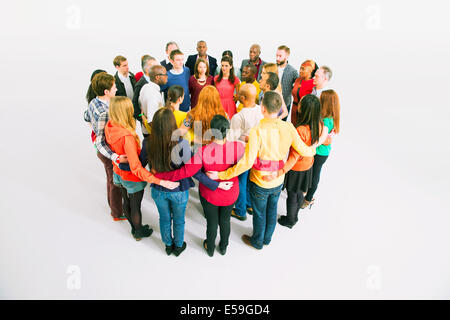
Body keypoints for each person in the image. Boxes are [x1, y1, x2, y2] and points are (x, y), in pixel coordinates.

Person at [207, 91, 316, 250]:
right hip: (278, 179)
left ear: (263, 109)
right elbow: (304, 151)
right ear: (279, 109)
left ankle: (257, 242)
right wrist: (314, 147)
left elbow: (246, 163)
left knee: (259, 213)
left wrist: (221, 175)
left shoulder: (257, 131)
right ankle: (267, 239)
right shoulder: (289, 127)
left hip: (259, 181)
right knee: (272, 211)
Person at [153, 115, 245, 257]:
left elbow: (186, 172)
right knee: (225, 220)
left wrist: (159, 177)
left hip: (210, 194)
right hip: (230, 192)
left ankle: (210, 248)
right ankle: (224, 247)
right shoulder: (239, 147)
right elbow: (248, 164)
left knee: (212, 222)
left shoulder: (203, 151)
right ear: (228, 130)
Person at [147, 108, 223, 256]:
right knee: (179, 219)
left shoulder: (148, 143)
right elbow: (192, 170)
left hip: (158, 189)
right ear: (173, 124)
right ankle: (178, 245)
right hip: (179, 190)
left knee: (164, 218)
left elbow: (141, 166)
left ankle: (168, 245)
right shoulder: (182, 144)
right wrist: (214, 183)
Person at [105, 97, 179, 240]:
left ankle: (133, 228)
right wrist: (160, 182)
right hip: (131, 178)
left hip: (117, 172)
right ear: (125, 112)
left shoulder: (110, 125)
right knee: (135, 206)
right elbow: (136, 168)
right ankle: (138, 230)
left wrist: (117, 157)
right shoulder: (127, 137)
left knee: (125, 202)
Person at [263, 94, 324, 228]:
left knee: (292, 195)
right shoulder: (319, 124)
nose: (298, 105)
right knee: (300, 192)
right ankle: (295, 215)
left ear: (305, 110)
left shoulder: (301, 130)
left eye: (301, 103)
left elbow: (294, 156)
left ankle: (290, 219)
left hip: (296, 168)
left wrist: (282, 170)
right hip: (308, 164)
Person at [84, 72, 126, 221]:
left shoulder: (93, 102)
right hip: (107, 151)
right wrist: (114, 156)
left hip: (102, 148)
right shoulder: (104, 112)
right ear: (106, 92)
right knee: (114, 181)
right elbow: (101, 141)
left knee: (110, 178)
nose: (116, 89)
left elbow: (86, 117)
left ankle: (114, 208)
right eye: (114, 87)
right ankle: (117, 212)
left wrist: (94, 128)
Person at [227, 84, 263, 221]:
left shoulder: (239, 116)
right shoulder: (261, 111)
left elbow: (231, 138)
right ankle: (249, 205)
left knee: (240, 180)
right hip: (256, 151)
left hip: (242, 152)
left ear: (242, 97)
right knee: (249, 179)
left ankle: (240, 210)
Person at [302, 89, 340, 209]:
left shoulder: (326, 121)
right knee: (312, 174)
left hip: (319, 153)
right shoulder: (328, 118)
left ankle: (308, 199)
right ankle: (307, 195)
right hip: (321, 152)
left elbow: (322, 139)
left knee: (314, 176)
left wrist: (308, 148)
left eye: (321, 98)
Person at [138, 65, 167, 137]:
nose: (167, 77)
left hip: (147, 131)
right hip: (153, 134)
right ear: (157, 77)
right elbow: (151, 121)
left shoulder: (146, 86)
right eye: (165, 75)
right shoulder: (153, 94)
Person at [275, 45, 298, 121]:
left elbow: (297, 86)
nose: (277, 58)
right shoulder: (272, 68)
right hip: (272, 103)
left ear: (286, 56)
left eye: (280, 56)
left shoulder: (293, 71)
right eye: (276, 55)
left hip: (285, 104)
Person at [291, 60, 316, 125]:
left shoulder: (313, 83)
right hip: (294, 109)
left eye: (303, 69)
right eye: (300, 68)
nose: (300, 71)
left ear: (310, 71)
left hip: (304, 111)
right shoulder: (297, 80)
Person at [132, 55, 157, 122]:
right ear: (146, 69)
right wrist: (142, 119)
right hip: (146, 122)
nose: (157, 68)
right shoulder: (140, 84)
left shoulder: (156, 80)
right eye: (153, 66)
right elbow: (135, 104)